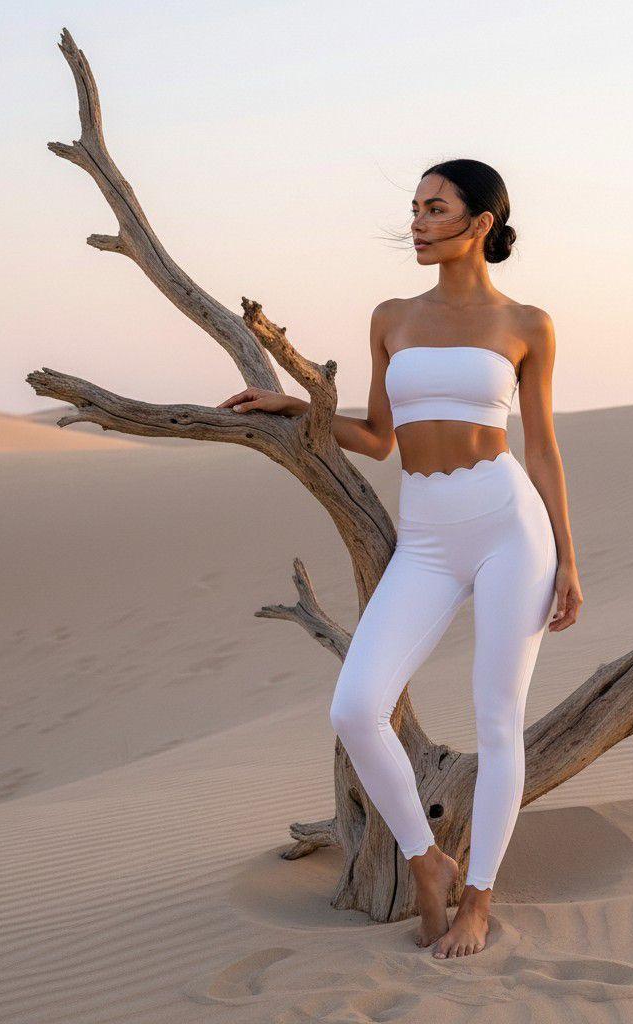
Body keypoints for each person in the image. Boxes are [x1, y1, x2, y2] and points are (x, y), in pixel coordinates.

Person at [219, 159, 582, 959]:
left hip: (508, 525)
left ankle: (480, 899)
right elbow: (381, 439)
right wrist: (301, 404)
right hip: (424, 533)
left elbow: (545, 449)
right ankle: (427, 860)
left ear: (480, 223)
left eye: (435, 208)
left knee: (497, 721)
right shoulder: (391, 316)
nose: (416, 223)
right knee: (355, 707)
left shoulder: (528, 323)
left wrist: (569, 556)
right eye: (413, 208)